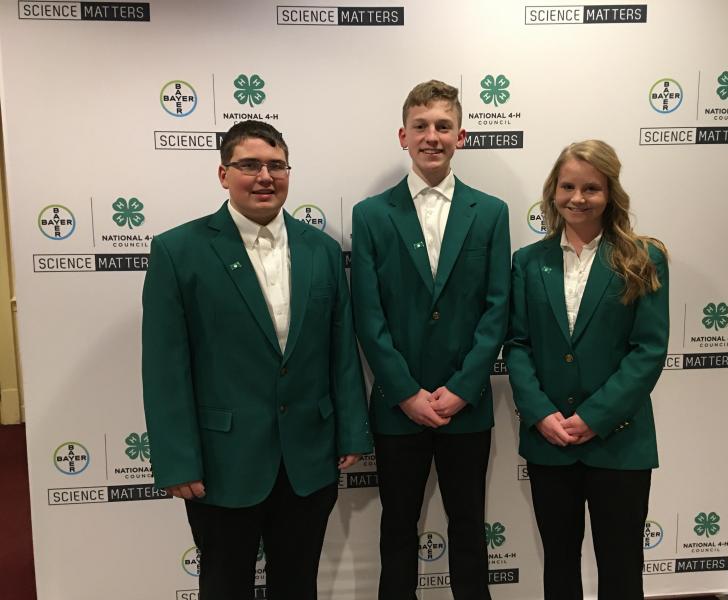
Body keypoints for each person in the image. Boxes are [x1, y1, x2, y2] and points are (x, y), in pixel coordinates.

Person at [141, 120, 372, 600]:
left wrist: (352, 429)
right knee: (225, 586)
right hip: (223, 463)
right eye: (249, 165)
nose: (264, 176)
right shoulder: (178, 251)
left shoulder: (323, 251)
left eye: (276, 165)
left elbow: (340, 349)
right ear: (224, 174)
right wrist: (177, 459)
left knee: (298, 584)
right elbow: (165, 368)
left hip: (308, 458)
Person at [350, 80, 510, 600]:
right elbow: (368, 315)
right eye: (421, 126)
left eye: (443, 126)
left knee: (469, 526)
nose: (432, 136)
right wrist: (404, 392)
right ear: (403, 135)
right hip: (400, 407)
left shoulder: (491, 212)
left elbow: (496, 309)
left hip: (468, 405)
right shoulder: (372, 214)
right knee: (397, 527)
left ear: (460, 135)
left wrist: (464, 387)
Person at [504, 139, 669, 600]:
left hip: (619, 442)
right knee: (558, 563)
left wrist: (595, 417)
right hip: (550, 439)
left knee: (620, 567)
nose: (578, 198)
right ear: (553, 191)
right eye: (568, 186)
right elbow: (517, 345)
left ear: (610, 192)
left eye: (591, 188)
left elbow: (648, 351)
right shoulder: (527, 262)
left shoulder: (642, 258)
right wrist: (540, 413)